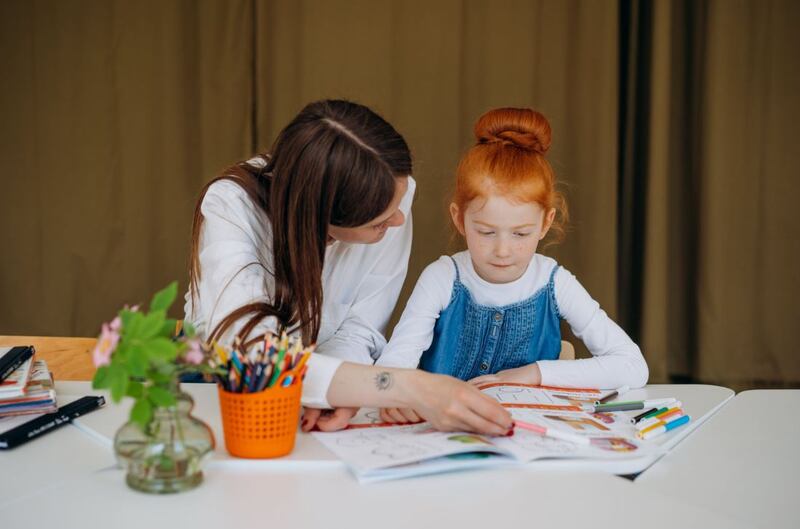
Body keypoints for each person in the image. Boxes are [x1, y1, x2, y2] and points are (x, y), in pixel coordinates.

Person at [184, 99, 512, 435]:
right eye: (378, 224)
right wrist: (412, 387)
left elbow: (360, 327)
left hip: (319, 398)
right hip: (218, 392)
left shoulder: (391, 192)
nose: (398, 220)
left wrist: (342, 390)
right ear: (321, 215)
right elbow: (253, 355)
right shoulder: (232, 206)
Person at [376, 107, 648, 424]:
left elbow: (632, 366)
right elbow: (396, 362)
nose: (503, 250)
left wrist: (534, 374)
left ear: (546, 223)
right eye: (486, 232)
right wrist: (395, 391)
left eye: (520, 233)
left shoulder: (555, 282)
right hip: (441, 432)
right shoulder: (442, 277)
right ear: (458, 218)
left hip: (526, 435)